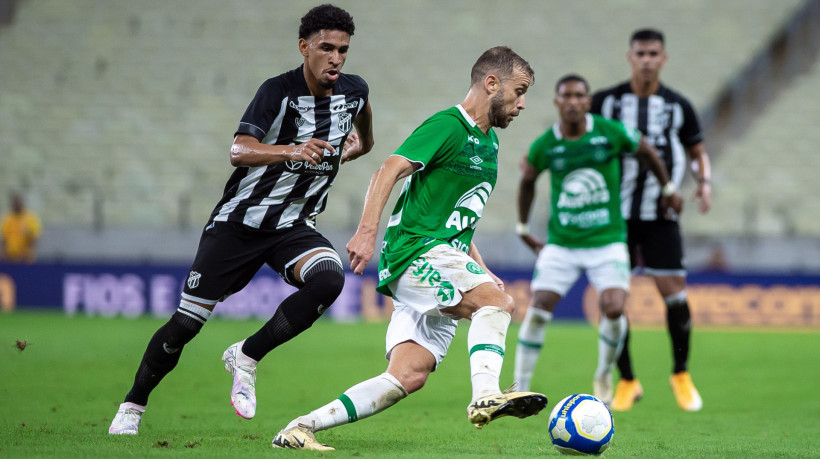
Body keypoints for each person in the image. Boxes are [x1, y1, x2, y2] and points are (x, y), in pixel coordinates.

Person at [108, 4, 375, 435]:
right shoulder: (278, 91)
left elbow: (365, 134)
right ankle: (132, 406)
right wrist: (292, 150)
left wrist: (352, 149)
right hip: (239, 223)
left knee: (329, 279)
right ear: (304, 47)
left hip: (292, 225)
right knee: (185, 324)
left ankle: (246, 356)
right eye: (326, 48)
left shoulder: (355, 90)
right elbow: (239, 150)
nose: (336, 58)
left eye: (343, 50)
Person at [270, 46, 547, 451]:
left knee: (408, 376)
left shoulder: (488, 145)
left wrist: (480, 267)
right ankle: (485, 394)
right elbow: (389, 168)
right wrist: (367, 231)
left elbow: (457, 219)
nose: (522, 104)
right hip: (417, 253)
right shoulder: (448, 125)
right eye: (519, 91)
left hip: (442, 254)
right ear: (492, 83)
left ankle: (299, 427)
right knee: (498, 305)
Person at [512, 74, 682, 405]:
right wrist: (522, 227)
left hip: (607, 240)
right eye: (567, 96)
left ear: (588, 101)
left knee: (614, 306)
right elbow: (528, 180)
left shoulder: (608, 132)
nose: (573, 101)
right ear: (557, 102)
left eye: (579, 95)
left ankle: (604, 374)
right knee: (538, 307)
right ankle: (519, 386)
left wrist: (667, 188)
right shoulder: (546, 144)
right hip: (562, 242)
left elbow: (646, 150)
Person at [590, 28, 712, 412]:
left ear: (663, 58)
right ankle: (627, 380)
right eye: (640, 53)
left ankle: (681, 373)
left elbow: (696, 150)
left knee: (674, 294)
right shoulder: (604, 102)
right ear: (630, 57)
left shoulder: (678, 106)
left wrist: (703, 182)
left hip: (661, 214)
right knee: (614, 297)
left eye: (653, 53)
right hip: (614, 217)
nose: (646, 60)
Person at [0, 194, 42, 264]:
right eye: (14, 203)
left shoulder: (30, 218)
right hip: (10, 258)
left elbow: (35, 238)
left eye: (18, 203)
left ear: (22, 203)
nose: (16, 205)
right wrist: (4, 254)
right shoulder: (7, 219)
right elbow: (4, 239)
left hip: (26, 259)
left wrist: (29, 254)